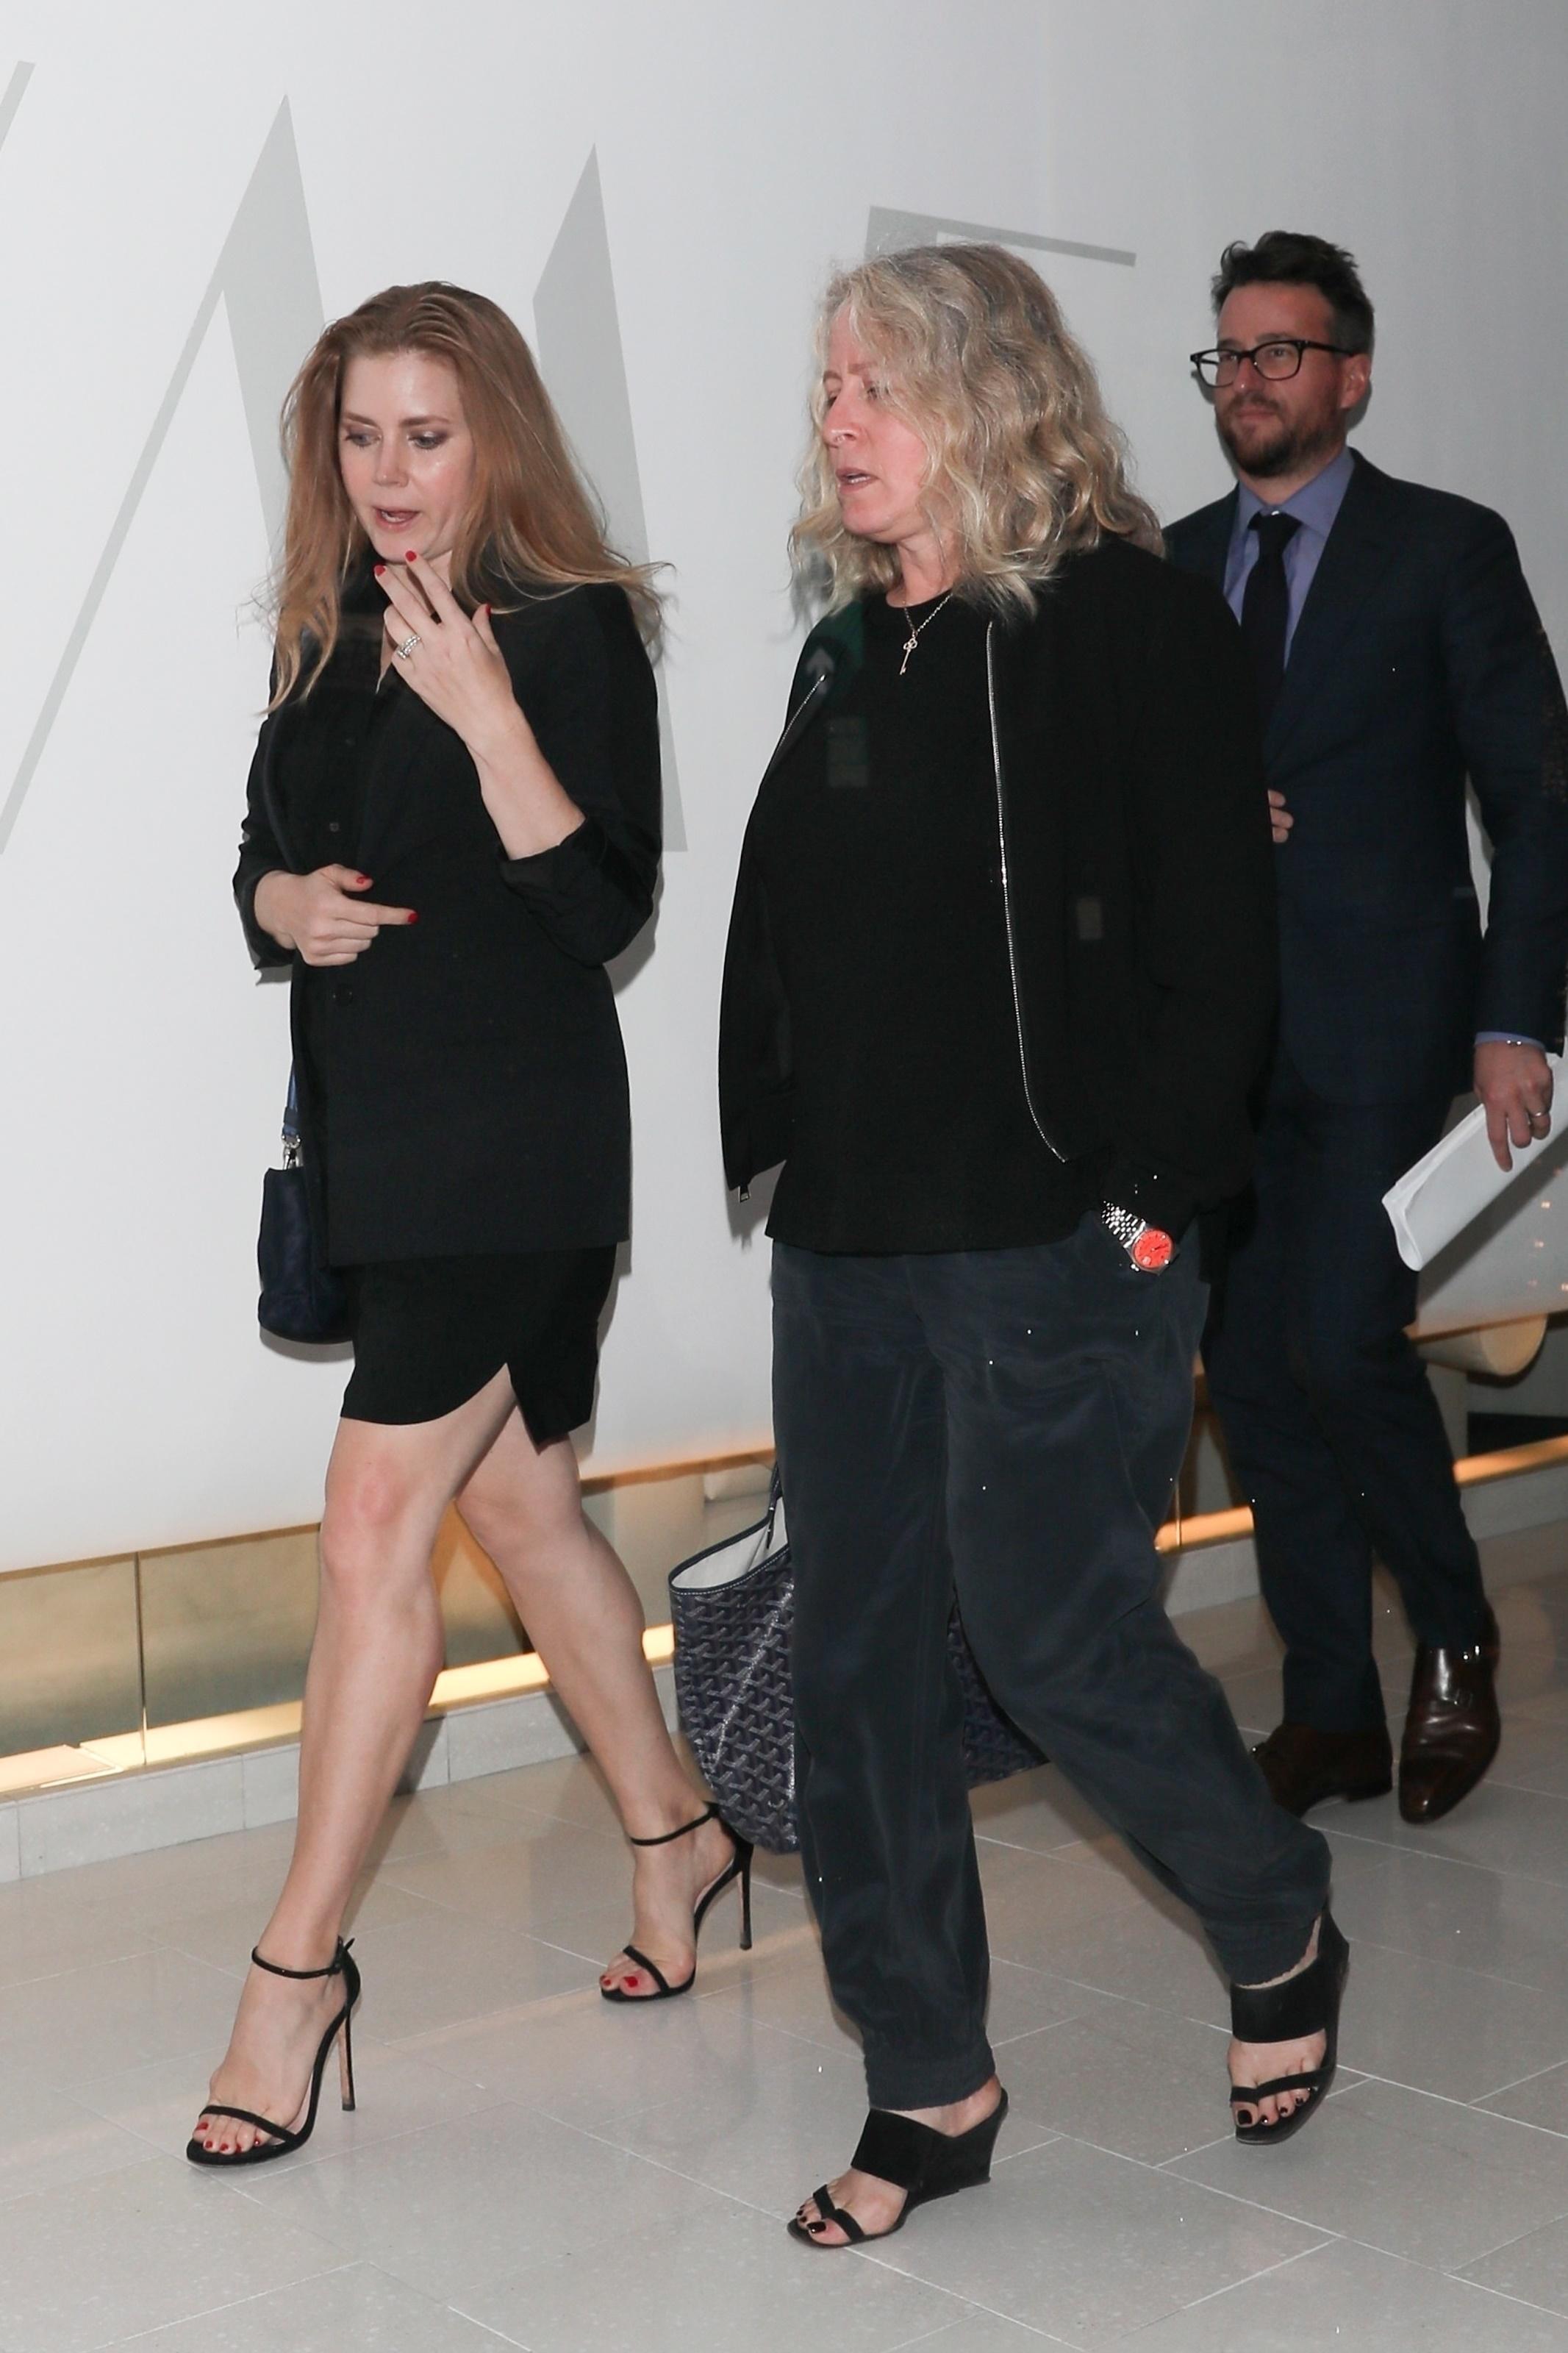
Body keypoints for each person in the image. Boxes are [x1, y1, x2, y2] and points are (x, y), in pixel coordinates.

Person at [719, 242, 1345, 2251]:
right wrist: (780, 1141)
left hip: (1058, 1238)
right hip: (849, 1246)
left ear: (986, 398)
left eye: (872, 385)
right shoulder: (849, 648)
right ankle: (927, 2075)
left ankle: (1269, 1912)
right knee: (857, 1669)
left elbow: (1213, 945)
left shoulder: (1129, 624)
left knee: (1049, 1633)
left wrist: (1145, 1196)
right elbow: (806, 913)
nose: (835, 420)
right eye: (828, 386)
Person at [190, 282, 749, 2167]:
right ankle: (678, 1831)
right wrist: (281, 906)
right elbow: (258, 853)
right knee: (518, 1510)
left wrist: (489, 710)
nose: (390, 472)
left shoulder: (572, 628)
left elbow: (602, 913)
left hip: (515, 1149)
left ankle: (294, 1975)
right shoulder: (322, 628)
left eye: (425, 435)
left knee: (373, 1524)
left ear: (493, 435)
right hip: (379, 1146)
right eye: (360, 435)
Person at [1167, 232, 1568, 1824]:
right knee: (1252, 1375)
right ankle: (1328, 1705)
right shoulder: (1171, 564)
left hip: (1386, 1029)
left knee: (1338, 1342)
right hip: (1217, 1048)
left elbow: (1534, 802)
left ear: (1351, 375)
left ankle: (1454, 1636)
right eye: (1228, 355)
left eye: (1279, 351)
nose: (1247, 379)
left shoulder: (1443, 547)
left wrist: (1514, 1021)